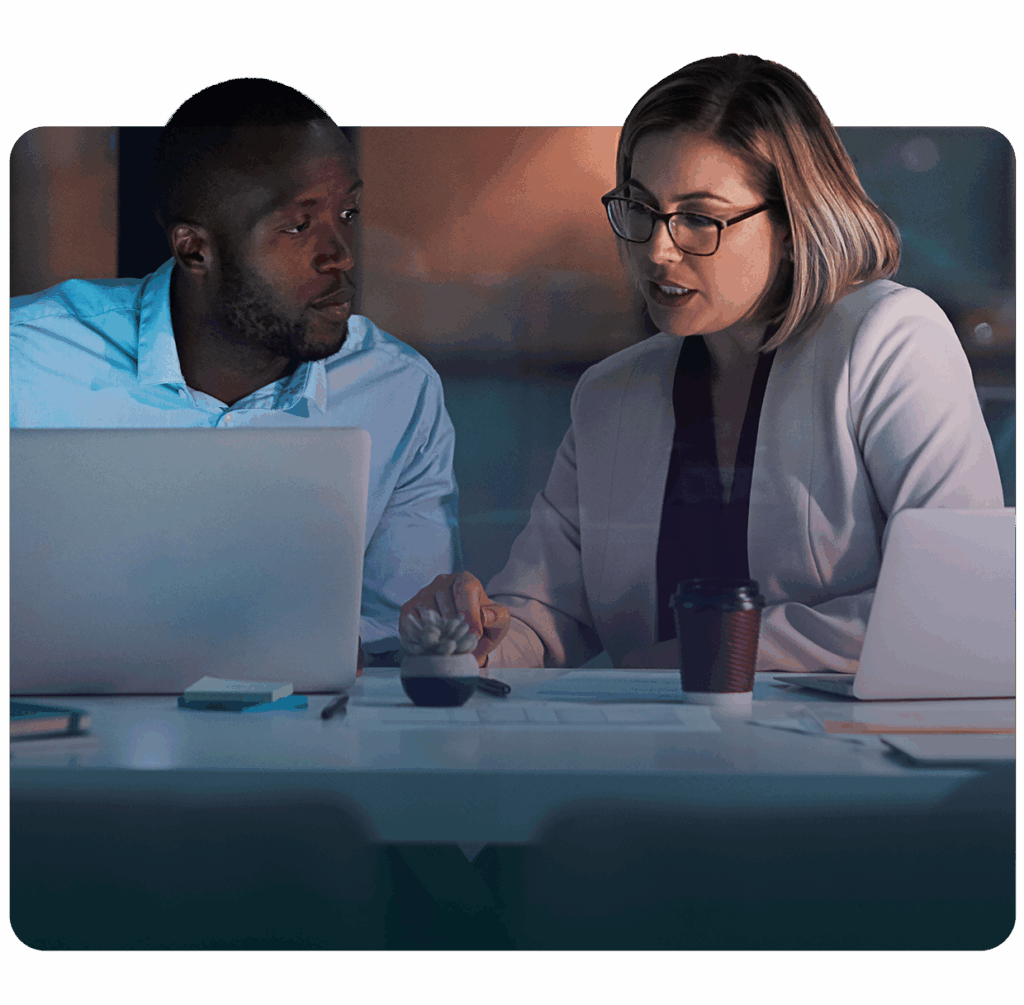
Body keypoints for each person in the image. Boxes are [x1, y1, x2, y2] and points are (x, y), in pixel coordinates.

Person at [401, 53, 1003, 674]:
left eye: (699, 218)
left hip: (849, 759)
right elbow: (542, 616)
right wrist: (470, 637)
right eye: (640, 207)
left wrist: (710, 653)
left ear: (794, 223)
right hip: (659, 757)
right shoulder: (611, 394)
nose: (659, 250)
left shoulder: (892, 340)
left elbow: (962, 603)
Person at [10, 78, 461, 663]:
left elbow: (400, 633)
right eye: (299, 226)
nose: (341, 254)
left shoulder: (399, 392)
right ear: (195, 249)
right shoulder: (24, 359)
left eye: (347, 213)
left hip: (310, 745)